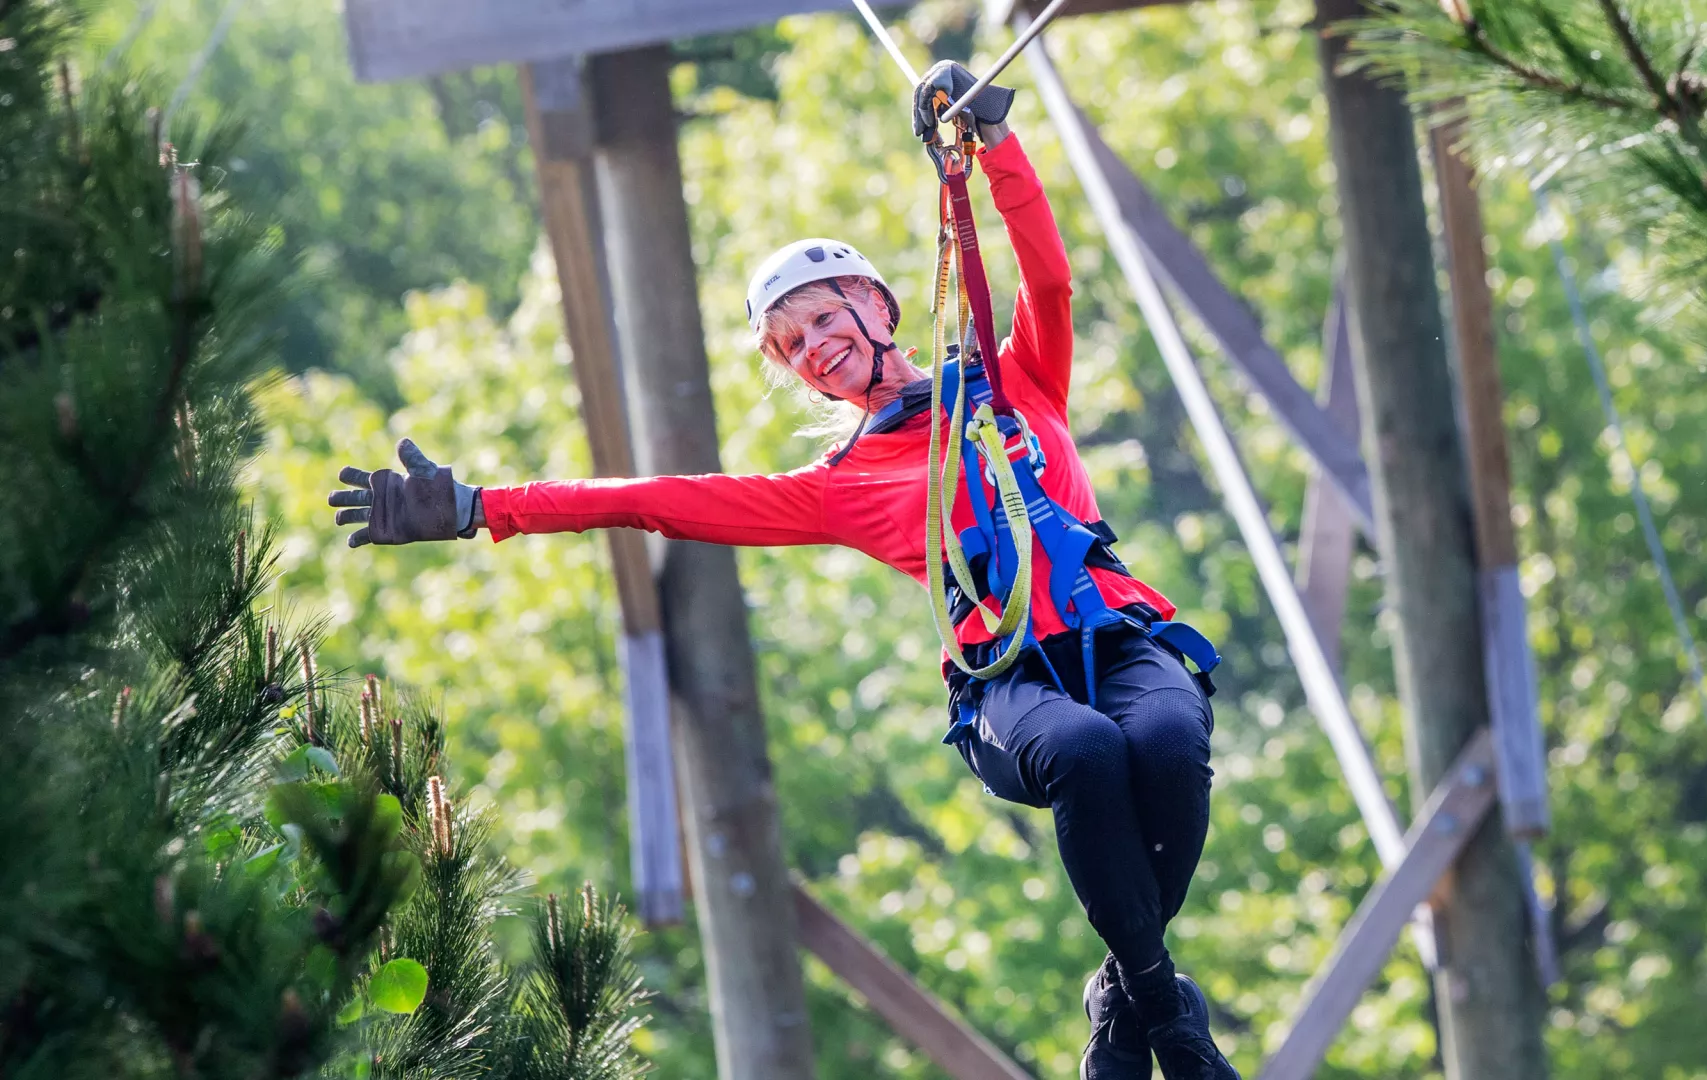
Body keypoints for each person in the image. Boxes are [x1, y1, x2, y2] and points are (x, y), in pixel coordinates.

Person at [328, 60, 1238, 1080]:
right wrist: (478, 508)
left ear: (875, 303)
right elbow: (658, 498)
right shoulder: (838, 485)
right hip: (1009, 685)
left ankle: (1123, 1002)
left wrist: (994, 148)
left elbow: (1049, 275)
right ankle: (1168, 1015)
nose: (810, 349)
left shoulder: (1014, 377)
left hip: (1120, 638)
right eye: (788, 344)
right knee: (1082, 752)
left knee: (1161, 739)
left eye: (820, 320)